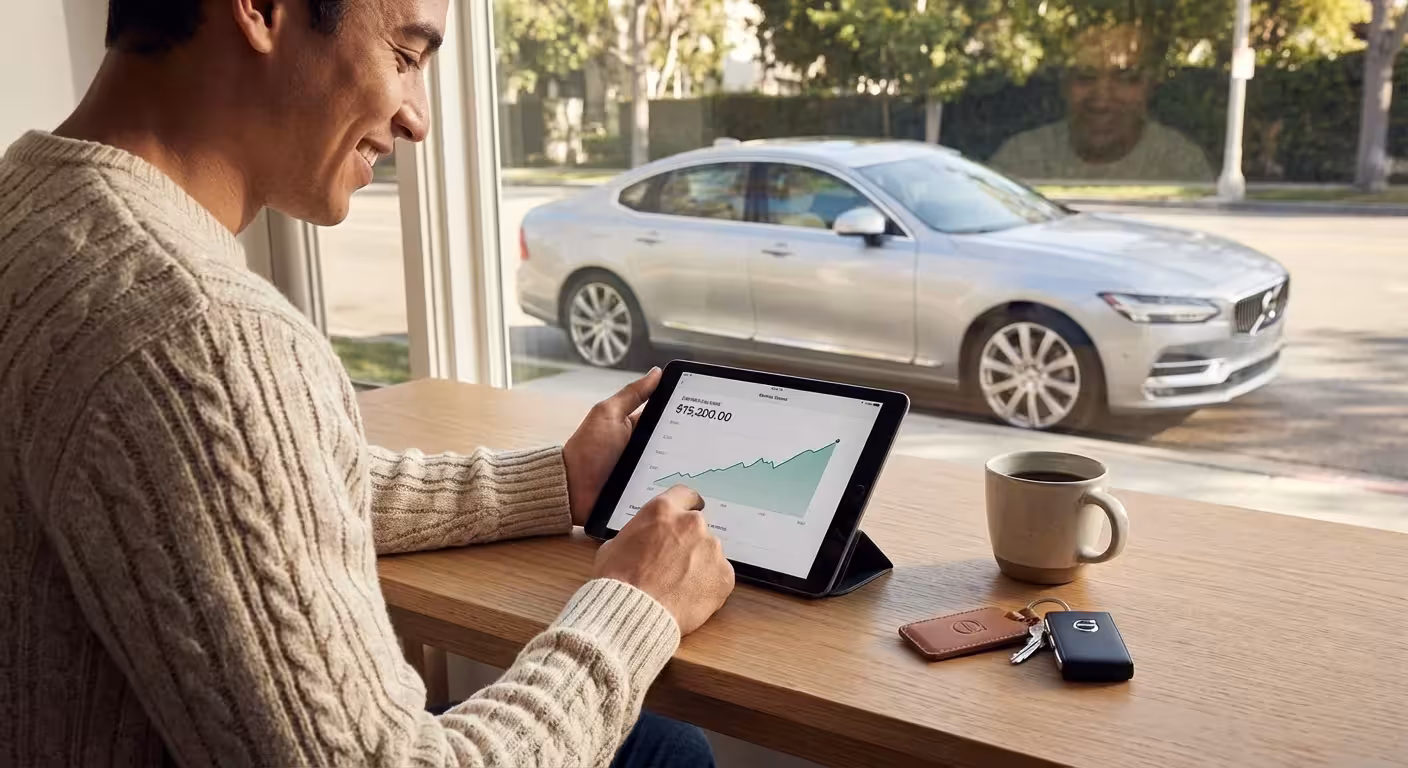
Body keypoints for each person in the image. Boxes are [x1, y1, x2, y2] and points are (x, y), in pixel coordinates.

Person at [0, 0, 735, 766]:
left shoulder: (32, 202)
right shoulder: (198, 326)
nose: (418, 119)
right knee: (668, 754)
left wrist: (556, 481)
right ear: (259, 10)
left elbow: (246, 483)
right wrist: (634, 606)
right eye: (406, 56)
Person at [989, 23, 1212, 182]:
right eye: (1085, 77)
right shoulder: (1021, 160)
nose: (1102, 100)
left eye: (1125, 79)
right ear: (1064, 85)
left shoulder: (1179, 166)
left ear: (1150, 87)